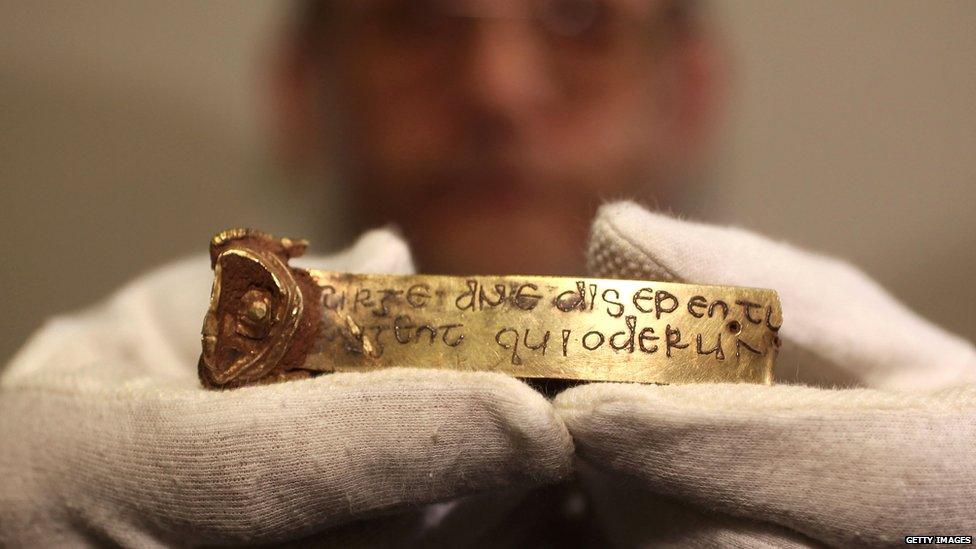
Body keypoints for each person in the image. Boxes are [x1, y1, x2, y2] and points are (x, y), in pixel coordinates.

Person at [1, 1, 974, 546]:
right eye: (415, 17)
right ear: (301, 89)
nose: (495, 88)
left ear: (691, 96)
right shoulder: (148, 378)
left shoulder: (892, 425)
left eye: (580, 19)